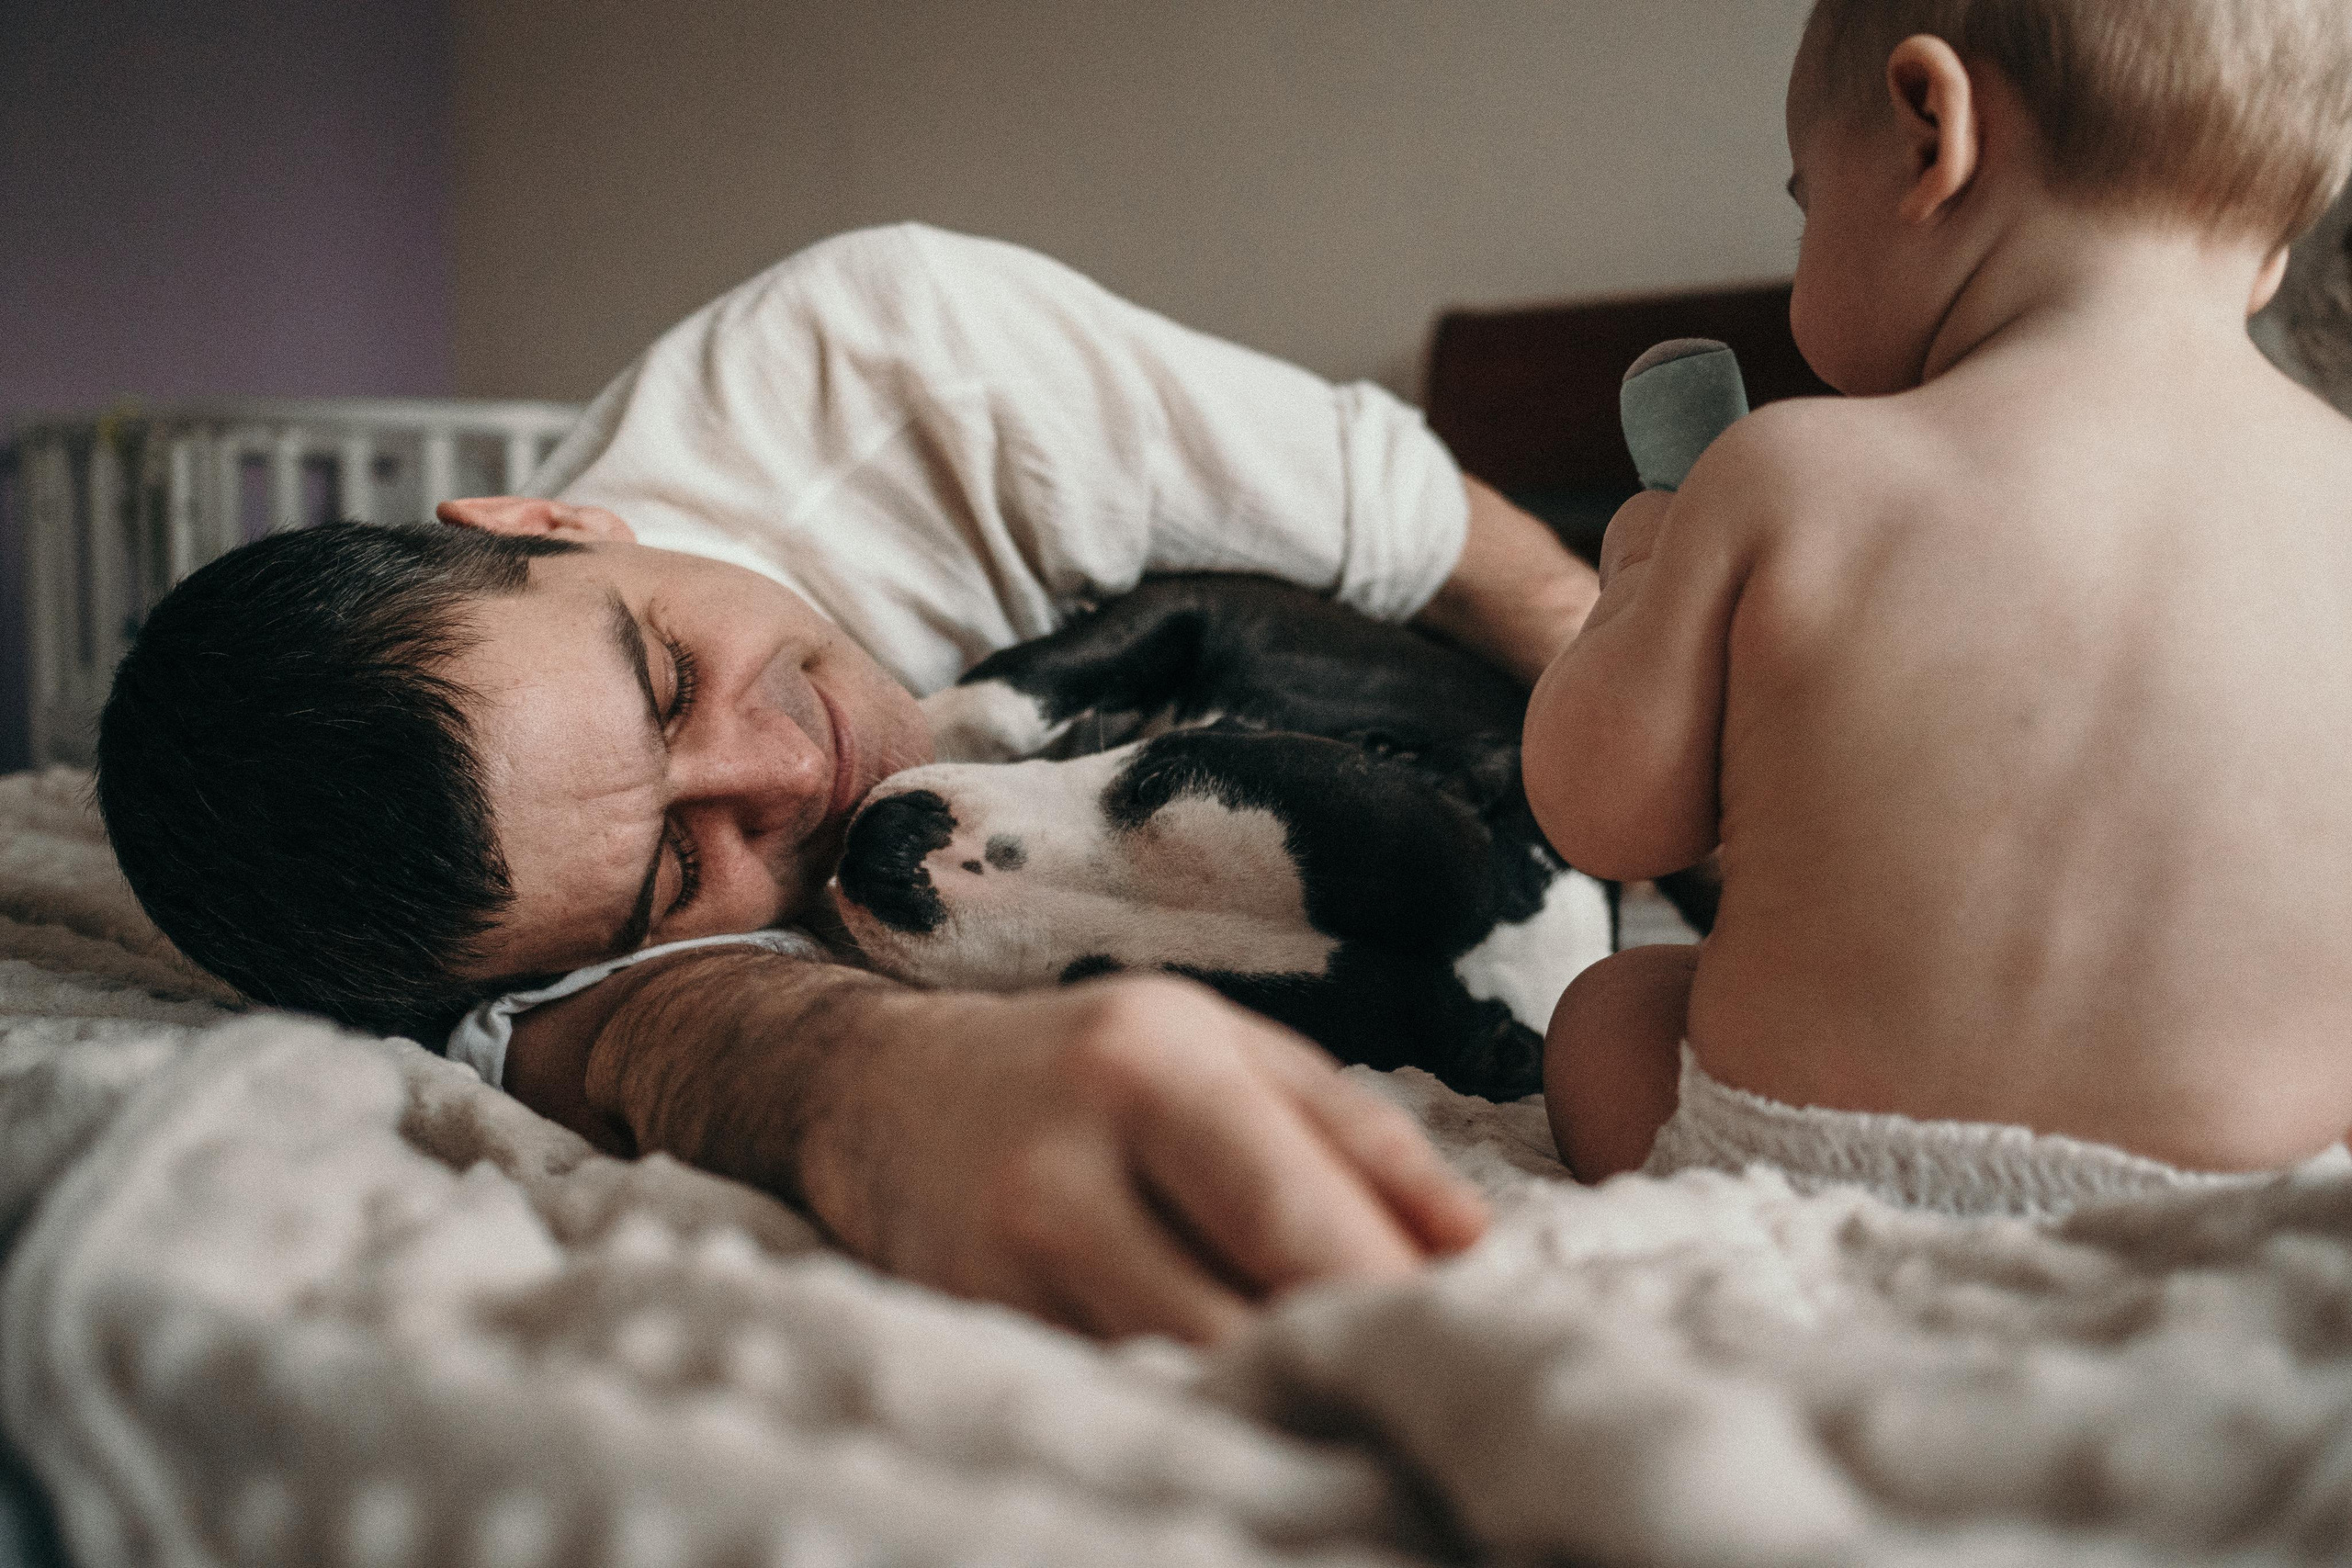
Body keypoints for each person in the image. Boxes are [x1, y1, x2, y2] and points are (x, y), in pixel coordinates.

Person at [96, 224, 1600, 1343]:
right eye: (681, 867)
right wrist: (869, 1093)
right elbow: (568, 1029)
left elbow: (1495, 574)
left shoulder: (901, 362)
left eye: (668, 677)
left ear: (551, 524)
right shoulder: (498, 896)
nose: (788, 768)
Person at [1527, 0, 2352, 1213]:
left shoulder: (1785, 471)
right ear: (2273, 247)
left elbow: (1603, 813)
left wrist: (1642, 570)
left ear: (1930, 132)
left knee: (1609, 1014)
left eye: (1805, 199)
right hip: (2234, 1195)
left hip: (1820, 1176)